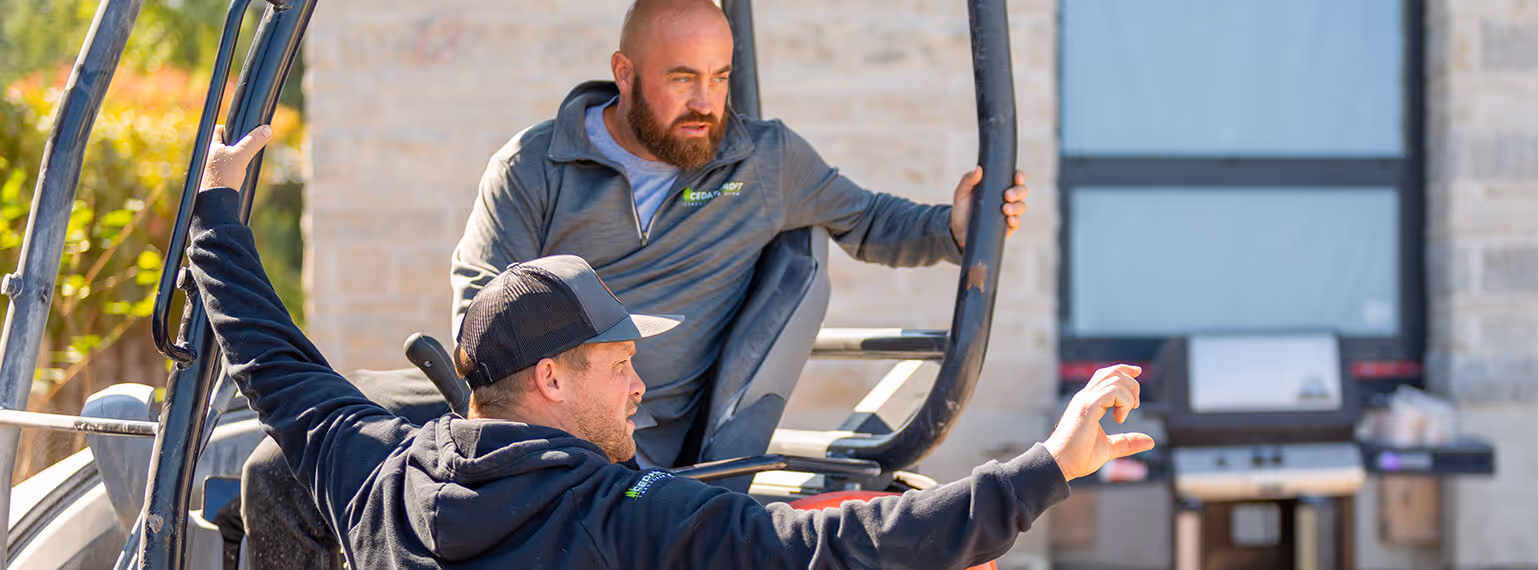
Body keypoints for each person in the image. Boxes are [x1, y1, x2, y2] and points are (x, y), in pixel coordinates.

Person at [244, 0, 1032, 565]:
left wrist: (954, 226)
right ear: (623, 73)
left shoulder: (765, 163)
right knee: (276, 465)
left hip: (624, 431)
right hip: (516, 404)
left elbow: (872, 220)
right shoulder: (534, 167)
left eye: (721, 78)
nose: (706, 102)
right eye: (683, 77)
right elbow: (482, 317)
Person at [194, 126, 1148, 569]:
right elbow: (835, 540)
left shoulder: (376, 468)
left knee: (277, 460)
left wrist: (216, 212)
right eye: (619, 364)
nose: (641, 385)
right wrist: (1048, 468)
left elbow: (271, 360)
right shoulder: (621, 513)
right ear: (553, 378)